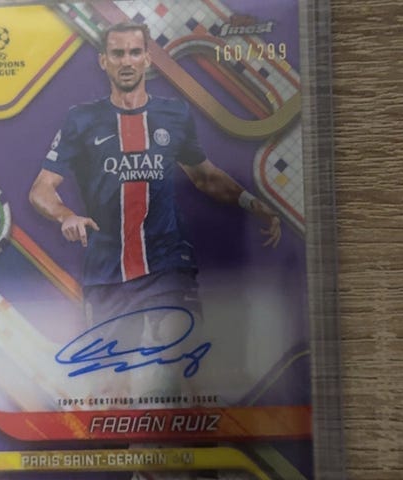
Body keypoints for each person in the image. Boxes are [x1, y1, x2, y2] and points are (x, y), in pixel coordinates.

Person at [29, 20, 281, 480]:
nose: (127, 61)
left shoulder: (173, 114)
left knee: (159, 385)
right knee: (123, 402)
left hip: (168, 267)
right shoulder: (81, 120)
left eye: (134, 52)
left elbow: (204, 176)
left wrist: (250, 201)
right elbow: (42, 189)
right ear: (104, 61)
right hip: (107, 276)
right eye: (118, 53)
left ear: (148, 59)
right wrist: (65, 215)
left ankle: (188, 470)